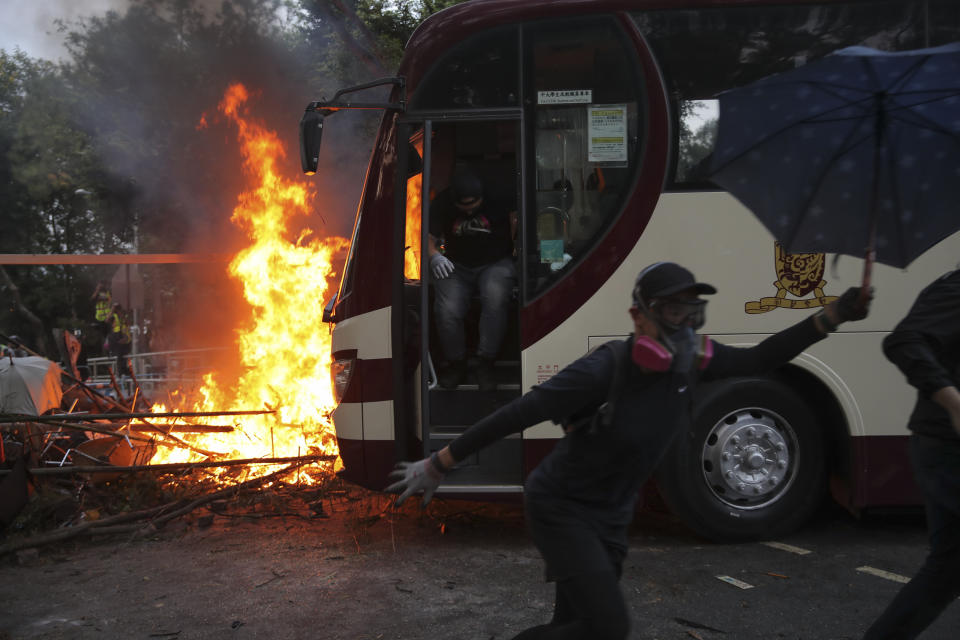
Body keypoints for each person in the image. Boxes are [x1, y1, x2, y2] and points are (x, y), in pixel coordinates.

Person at [388, 261, 870, 640]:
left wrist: (832, 316)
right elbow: (519, 413)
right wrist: (438, 463)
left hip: (611, 518)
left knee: (577, 629)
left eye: (691, 313)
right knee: (610, 627)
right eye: (672, 311)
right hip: (564, 508)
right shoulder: (606, 369)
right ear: (639, 315)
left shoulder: (693, 361)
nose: (684, 325)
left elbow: (761, 359)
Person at [862, 269, 960, 640]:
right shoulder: (957, 287)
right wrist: (954, 402)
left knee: (946, 572)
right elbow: (904, 340)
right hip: (950, 450)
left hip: (941, 449)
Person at [429, 168, 517, 391]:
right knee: (447, 309)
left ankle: (485, 362)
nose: (469, 211)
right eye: (464, 207)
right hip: (456, 264)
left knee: (495, 296)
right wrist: (435, 257)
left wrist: (519, 249)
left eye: (473, 206)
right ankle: (456, 363)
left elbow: (518, 221)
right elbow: (427, 238)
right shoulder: (442, 203)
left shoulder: (500, 196)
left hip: (496, 261)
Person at [106, 303, 132, 377]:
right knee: (120, 354)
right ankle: (121, 372)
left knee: (123, 354)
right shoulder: (113, 316)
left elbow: (128, 323)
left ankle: (123, 371)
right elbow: (107, 320)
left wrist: (123, 317)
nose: (118, 311)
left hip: (124, 337)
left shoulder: (123, 316)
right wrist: (112, 310)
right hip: (117, 336)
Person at [90, 280, 112, 354]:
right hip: (99, 318)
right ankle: (105, 349)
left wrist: (100, 298)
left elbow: (108, 301)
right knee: (103, 335)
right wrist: (97, 291)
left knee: (108, 333)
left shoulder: (107, 293)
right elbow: (92, 299)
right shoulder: (96, 294)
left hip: (106, 317)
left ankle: (108, 348)